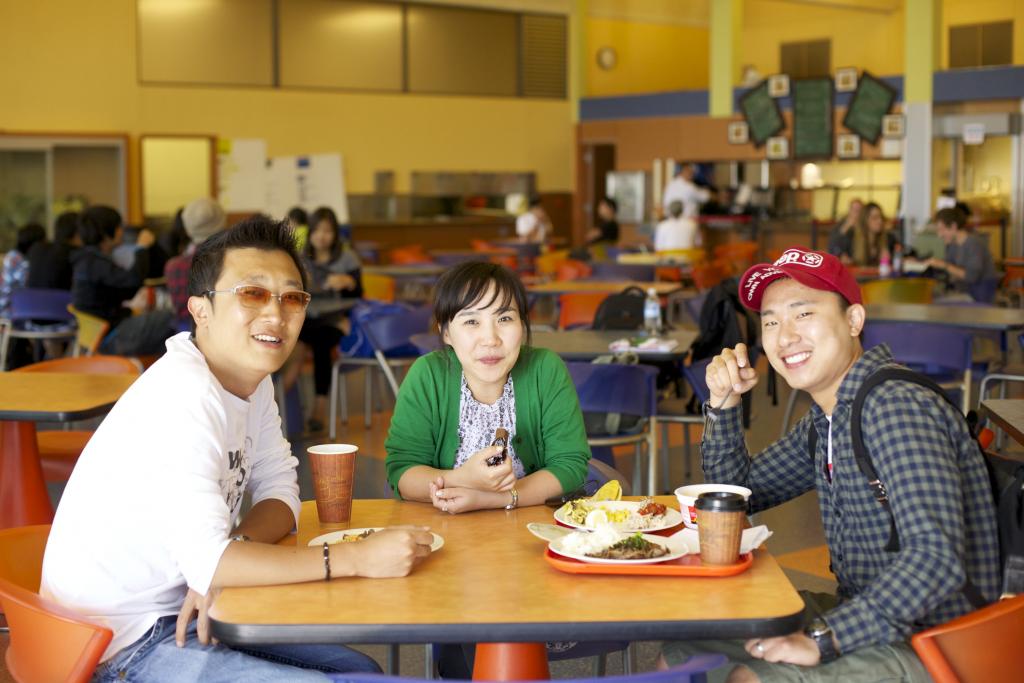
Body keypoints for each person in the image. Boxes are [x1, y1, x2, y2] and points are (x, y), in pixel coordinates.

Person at [42, 217, 434, 682]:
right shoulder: (186, 395)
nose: (276, 315)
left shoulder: (252, 381)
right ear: (200, 310)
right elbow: (211, 561)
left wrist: (229, 561)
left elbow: (281, 492)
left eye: (292, 298)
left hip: (186, 611)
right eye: (252, 293)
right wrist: (357, 559)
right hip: (112, 645)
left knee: (356, 668)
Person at [659, 247, 1000, 683]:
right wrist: (724, 405)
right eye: (770, 322)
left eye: (803, 314)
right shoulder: (828, 418)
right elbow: (735, 495)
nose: (785, 337)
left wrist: (824, 638)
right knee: (684, 653)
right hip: (867, 614)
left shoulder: (894, 407)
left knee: (750, 678)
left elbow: (936, 559)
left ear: (853, 320)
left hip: (941, 640)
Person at [385, 261, 589, 514]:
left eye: (504, 318)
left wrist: (493, 498)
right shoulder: (427, 375)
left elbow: (570, 467)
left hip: (532, 529)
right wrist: (462, 479)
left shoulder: (545, 369)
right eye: (472, 321)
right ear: (446, 332)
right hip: (442, 530)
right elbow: (403, 472)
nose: (491, 339)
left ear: (522, 324)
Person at [281, 206, 363, 432]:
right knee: (295, 343)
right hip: (307, 320)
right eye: (317, 230)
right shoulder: (301, 258)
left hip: (334, 321)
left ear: (335, 233)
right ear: (310, 232)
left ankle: (319, 407)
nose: (321, 236)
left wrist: (349, 283)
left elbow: (359, 295)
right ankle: (276, 403)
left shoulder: (347, 258)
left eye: (327, 231)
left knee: (321, 343)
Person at [71, 205, 175, 356]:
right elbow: (133, 280)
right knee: (174, 317)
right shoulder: (95, 263)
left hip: (104, 333)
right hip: (112, 337)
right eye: (119, 227)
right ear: (106, 234)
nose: (122, 232)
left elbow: (127, 290)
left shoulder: (88, 260)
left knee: (165, 325)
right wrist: (141, 248)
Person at [165, 197, 228, 328]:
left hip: (184, 334)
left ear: (188, 229)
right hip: (222, 331)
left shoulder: (173, 266)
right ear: (222, 224)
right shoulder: (231, 262)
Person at [925, 207, 997, 301]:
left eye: (941, 230)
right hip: (963, 291)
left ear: (953, 226)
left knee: (934, 302)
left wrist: (944, 265)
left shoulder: (974, 244)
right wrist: (922, 262)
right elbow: (949, 267)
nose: (939, 235)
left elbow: (971, 277)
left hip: (977, 296)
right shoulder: (953, 244)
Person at [27, 211, 81, 290]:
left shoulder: (36, 248)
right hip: (60, 297)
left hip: (29, 297)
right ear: (77, 233)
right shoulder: (75, 254)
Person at [1, 222, 46, 316]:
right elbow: (25, 285)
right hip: (12, 310)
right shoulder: (17, 259)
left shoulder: (14, 255)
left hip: (14, 307)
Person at [853, 202, 898, 267]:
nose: (880, 221)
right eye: (875, 218)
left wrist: (890, 260)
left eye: (881, 217)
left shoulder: (889, 238)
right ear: (865, 220)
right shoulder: (853, 240)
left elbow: (899, 259)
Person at [825, 198, 863, 265]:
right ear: (849, 210)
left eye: (859, 210)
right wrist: (845, 228)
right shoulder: (840, 226)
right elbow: (832, 245)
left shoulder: (864, 227)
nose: (856, 213)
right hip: (843, 262)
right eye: (854, 210)